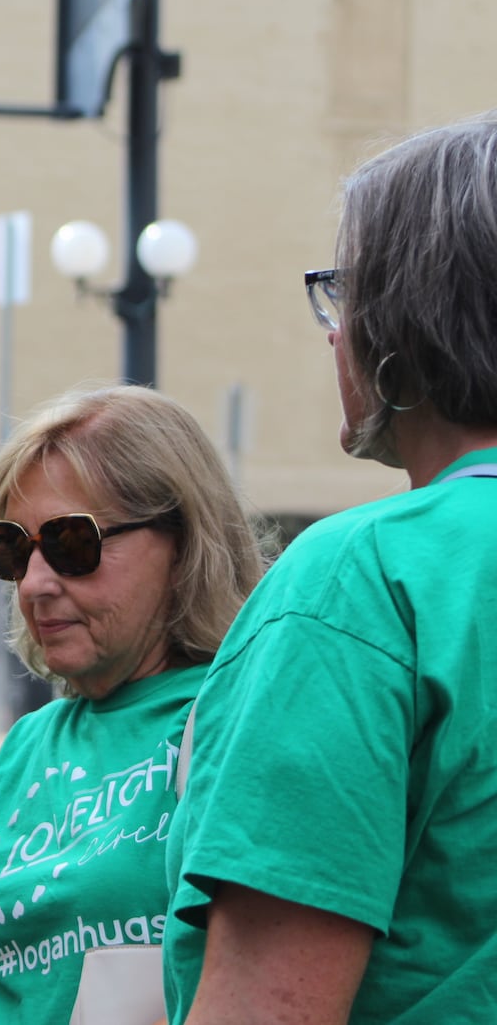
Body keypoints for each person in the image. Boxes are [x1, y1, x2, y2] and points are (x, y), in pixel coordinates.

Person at [163, 114, 497, 1023]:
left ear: (405, 324)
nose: (331, 334)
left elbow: (269, 1006)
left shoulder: (365, 577)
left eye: (343, 294)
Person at [0, 385, 265, 1025]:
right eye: (13, 549)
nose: (37, 584)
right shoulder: (32, 744)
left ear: (183, 543)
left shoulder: (242, 715)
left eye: (73, 544)